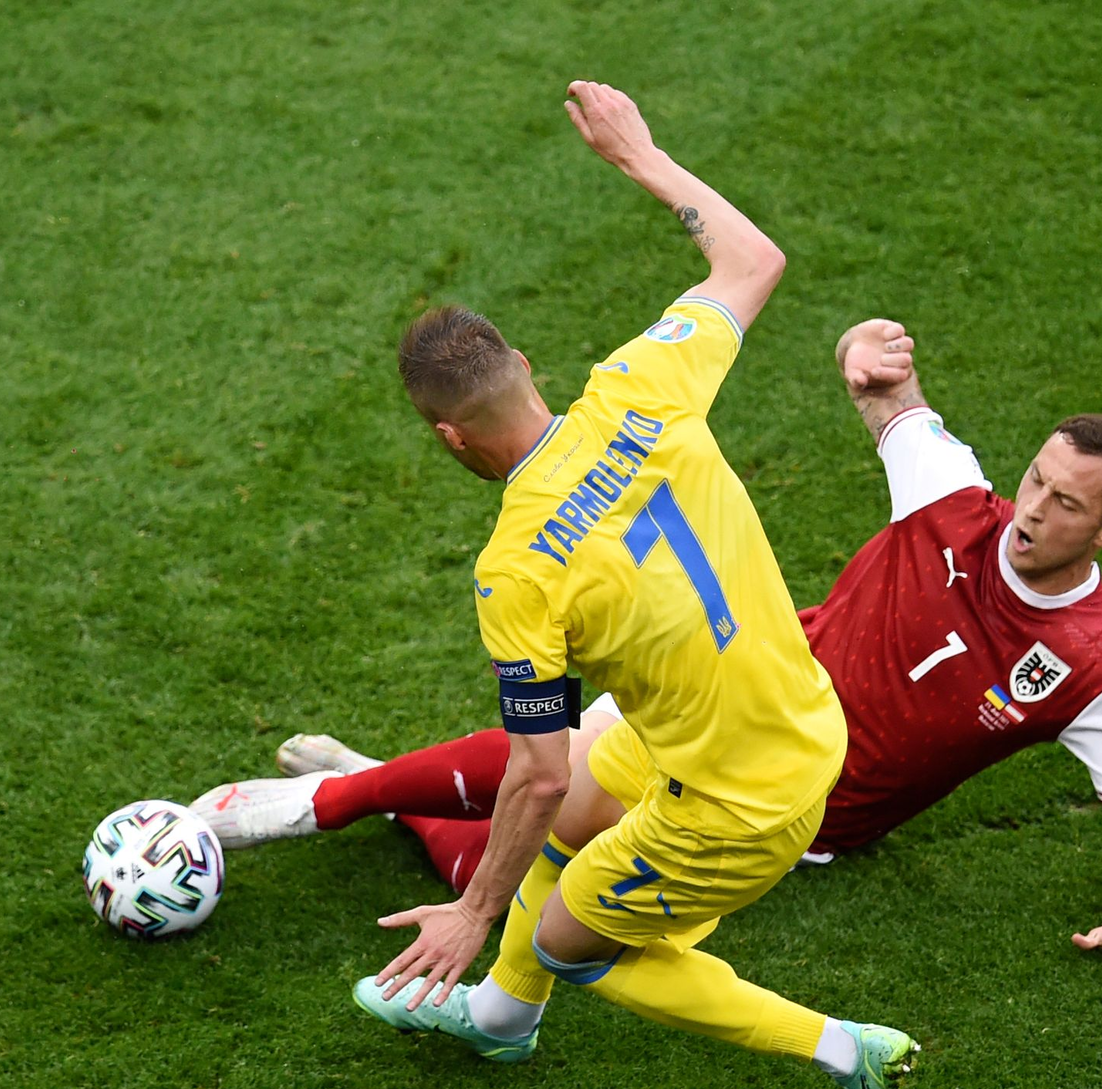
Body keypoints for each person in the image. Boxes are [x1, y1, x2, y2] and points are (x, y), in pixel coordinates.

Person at [194, 80, 920, 1089]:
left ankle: (847, 1048)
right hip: (796, 718)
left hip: (743, 804)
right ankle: (500, 1016)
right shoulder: (638, 383)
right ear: (525, 366)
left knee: (584, 936)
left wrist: (473, 910)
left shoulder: (517, 572)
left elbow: (524, 770)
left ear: (449, 442)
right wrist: (640, 155)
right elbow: (752, 262)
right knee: (575, 798)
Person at [195, 328, 1102, 947]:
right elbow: (886, 389)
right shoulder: (952, 499)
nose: (1032, 508)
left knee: (534, 884)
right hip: (737, 681)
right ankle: (334, 799)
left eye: (1066, 504)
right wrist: (865, 348)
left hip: (795, 800)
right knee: (553, 789)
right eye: (1034, 479)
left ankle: (391, 810)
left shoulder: (1089, 662)